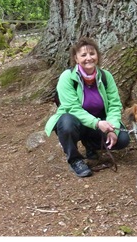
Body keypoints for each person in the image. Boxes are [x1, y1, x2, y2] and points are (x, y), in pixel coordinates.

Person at [44, 37, 130, 177]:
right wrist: (97, 123)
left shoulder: (105, 76)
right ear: (76, 59)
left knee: (122, 139)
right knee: (66, 123)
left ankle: (91, 145)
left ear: (97, 56)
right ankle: (75, 160)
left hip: (98, 120)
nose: (88, 58)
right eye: (83, 55)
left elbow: (115, 104)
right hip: (76, 121)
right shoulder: (67, 77)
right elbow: (72, 108)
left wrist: (112, 127)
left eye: (92, 54)